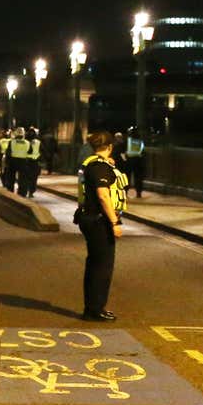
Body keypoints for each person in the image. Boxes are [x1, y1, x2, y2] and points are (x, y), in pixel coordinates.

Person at [75, 131, 126, 320]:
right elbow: (103, 196)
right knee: (102, 267)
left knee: (95, 264)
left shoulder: (92, 164)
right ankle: (95, 310)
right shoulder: (99, 167)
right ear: (110, 147)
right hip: (99, 220)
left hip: (88, 217)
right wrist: (115, 222)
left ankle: (93, 307)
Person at [121, 126, 146, 198]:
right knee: (138, 177)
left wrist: (124, 160)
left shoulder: (127, 141)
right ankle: (139, 192)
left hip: (129, 161)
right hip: (138, 160)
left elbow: (122, 151)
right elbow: (142, 151)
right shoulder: (140, 141)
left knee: (127, 177)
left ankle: (125, 192)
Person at [4, 128, 28, 193]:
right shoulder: (27, 142)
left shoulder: (11, 142)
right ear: (23, 134)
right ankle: (22, 192)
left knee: (11, 178)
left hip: (13, 161)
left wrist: (6, 162)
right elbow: (30, 151)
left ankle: (10, 191)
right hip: (23, 162)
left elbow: (8, 152)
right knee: (23, 178)